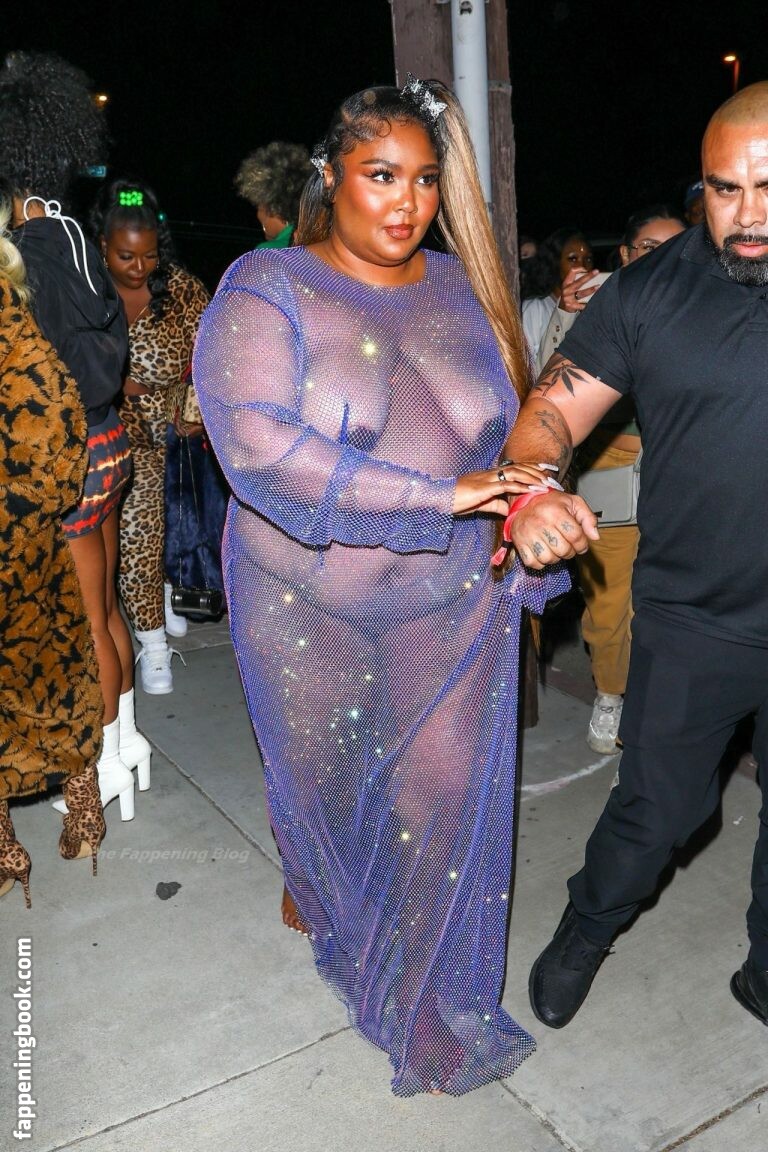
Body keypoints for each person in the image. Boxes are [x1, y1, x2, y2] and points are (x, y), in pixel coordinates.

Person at [193, 76, 568, 1096]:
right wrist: (443, 494)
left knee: (438, 797)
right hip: (304, 604)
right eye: (381, 175)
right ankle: (314, 873)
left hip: (447, 604)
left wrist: (531, 499)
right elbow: (259, 448)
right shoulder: (267, 287)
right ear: (331, 176)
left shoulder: (460, 287)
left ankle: (422, 1002)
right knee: (325, 784)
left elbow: (512, 435)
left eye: (425, 180)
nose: (406, 202)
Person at [499, 80, 768, 1033]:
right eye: (726, 190)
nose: (748, 216)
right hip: (697, 620)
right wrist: (534, 487)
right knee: (659, 812)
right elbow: (549, 411)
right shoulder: (649, 294)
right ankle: (587, 926)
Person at [0, 50, 145, 821]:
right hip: (110, 440)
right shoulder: (79, 235)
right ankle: (127, 743)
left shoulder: (26, 254)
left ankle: (99, 766)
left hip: (71, 457)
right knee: (107, 603)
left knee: (82, 621)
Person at [539, 205, 686, 753]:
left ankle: (665, 708)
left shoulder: (705, 303)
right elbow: (548, 394)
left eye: (676, 247)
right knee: (609, 607)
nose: (663, 259)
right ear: (625, 255)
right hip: (613, 474)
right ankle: (611, 693)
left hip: (682, 478)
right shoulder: (599, 302)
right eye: (649, 248)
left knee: (675, 605)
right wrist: (565, 313)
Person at [0, 185, 107, 905]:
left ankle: (16, 845)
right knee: (54, 672)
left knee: (53, 670)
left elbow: (53, 419)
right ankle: (78, 819)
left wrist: (19, 515)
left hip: (16, 536)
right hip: (26, 536)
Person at [88, 177, 216, 693]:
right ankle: (151, 632)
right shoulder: (83, 286)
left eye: (148, 255)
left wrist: (193, 409)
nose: (139, 267)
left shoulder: (182, 290)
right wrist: (113, 380)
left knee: (153, 535)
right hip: (105, 429)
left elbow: (211, 353)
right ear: (103, 246)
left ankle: (158, 625)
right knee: (125, 541)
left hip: (165, 433)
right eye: (126, 256)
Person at [520, 227, 595, 365]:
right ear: (555, 262)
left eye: (588, 259)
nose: (582, 266)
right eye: (573, 259)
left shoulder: (594, 309)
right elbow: (529, 368)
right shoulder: (535, 308)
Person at [234, 140, 313, 249]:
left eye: (259, 206)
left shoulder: (269, 252)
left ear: (273, 209)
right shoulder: (319, 244)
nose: (258, 215)